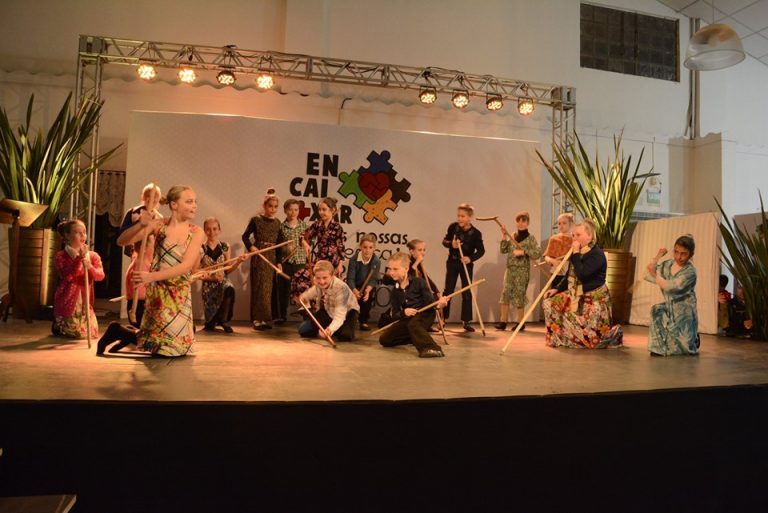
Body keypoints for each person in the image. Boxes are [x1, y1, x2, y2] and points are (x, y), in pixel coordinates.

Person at [97, 185, 205, 357]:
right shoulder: (159, 225)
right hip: (159, 290)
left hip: (179, 291)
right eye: (189, 201)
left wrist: (150, 276)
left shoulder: (197, 232)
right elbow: (122, 241)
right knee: (162, 347)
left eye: (195, 202)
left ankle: (119, 331)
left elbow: (185, 266)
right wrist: (140, 224)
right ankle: (119, 332)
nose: (194, 206)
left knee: (177, 347)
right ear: (174, 205)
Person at [542, 219, 623, 349]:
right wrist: (557, 289)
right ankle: (557, 338)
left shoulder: (597, 254)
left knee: (592, 339)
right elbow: (570, 275)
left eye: (578, 235)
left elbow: (582, 274)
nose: (574, 238)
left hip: (594, 300)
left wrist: (575, 254)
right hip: (577, 295)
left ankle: (598, 336)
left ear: (589, 236)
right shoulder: (578, 253)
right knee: (549, 303)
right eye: (573, 235)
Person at [379, 251, 448, 358]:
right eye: (390, 269)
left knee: (414, 324)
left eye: (395, 269)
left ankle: (432, 349)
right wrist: (404, 312)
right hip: (408, 317)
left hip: (425, 314)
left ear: (406, 268)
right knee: (385, 339)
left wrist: (439, 305)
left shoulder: (419, 282)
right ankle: (415, 337)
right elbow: (395, 315)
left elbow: (431, 304)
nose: (391, 272)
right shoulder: (395, 291)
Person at [646, 235, 699, 356]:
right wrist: (658, 256)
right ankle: (658, 347)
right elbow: (649, 271)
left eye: (683, 254)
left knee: (683, 349)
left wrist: (655, 275)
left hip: (684, 310)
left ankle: (693, 339)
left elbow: (672, 287)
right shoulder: (668, 264)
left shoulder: (690, 272)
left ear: (691, 254)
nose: (679, 257)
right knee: (656, 310)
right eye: (676, 252)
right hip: (670, 306)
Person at [52, 219, 105, 339]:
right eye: (77, 232)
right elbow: (68, 276)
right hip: (68, 301)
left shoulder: (93, 256)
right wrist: (78, 260)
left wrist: (90, 266)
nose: (82, 235)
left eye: (84, 232)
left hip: (85, 302)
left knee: (90, 333)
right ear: (67, 235)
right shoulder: (61, 256)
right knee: (73, 332)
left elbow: (100, 276)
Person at [242, 188, 282, 330]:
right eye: (270, 206)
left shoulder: (277, 223)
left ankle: (266, 318)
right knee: (259, 287)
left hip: (271, 257)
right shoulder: (256, 220)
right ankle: (257, 319)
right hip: (260, 256)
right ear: (264, 205)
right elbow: (245, 236)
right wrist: (251, 247)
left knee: (268, 289)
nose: (273, 209)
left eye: (275, 207)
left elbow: (279, 244)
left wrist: (279, 262)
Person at [291, 197, 346, 298]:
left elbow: (341, 247)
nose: (321, 212)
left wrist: (340, 265)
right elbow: (303, 235)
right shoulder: (318, 224)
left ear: (332, 210)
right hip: (320, 262)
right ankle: (306, 304)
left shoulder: (337, 227)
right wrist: (304, 242)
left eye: (324, 209)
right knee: (299, 276)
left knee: (326, 291)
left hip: (332, 264)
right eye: (320, 210)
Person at [495, 211, 541, 331]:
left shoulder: (531, 239)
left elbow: (537, 253)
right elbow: (504, 250)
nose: (520, 223)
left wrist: (524, 252)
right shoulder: (512, 236)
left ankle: (520, 322)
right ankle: (503, 321)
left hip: (522, 271)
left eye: (523, 221)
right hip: (510, 269)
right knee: (505, 293)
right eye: (518, 221)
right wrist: (504, 235)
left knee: (519, 295)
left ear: (528, 223)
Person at [442, 203, 484, 332]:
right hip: (452, 262)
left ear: (470, 217)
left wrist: (470, 258)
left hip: (466, 264)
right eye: (458, 216)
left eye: (463, 216)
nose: (459, 218)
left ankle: (466, 321)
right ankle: (443, 318)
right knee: (448, 290)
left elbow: (481, 251)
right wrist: (451, 244)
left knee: (466, 291)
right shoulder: (453, 227)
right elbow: (444, 241)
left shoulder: (476, 233)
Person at [298, 260, 359, 342]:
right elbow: (314, 290)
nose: (321, 281)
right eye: (318, 278)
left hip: (348, 313)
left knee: (345, 337)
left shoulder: (341, 288)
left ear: (332, 276)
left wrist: (330, 329)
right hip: (329, 311)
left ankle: (338, 327)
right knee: (303, 330)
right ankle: (333, 327)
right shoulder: (318, 282)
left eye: (325, 278)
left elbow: (340, 316)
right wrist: (304, 297)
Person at [201, 217, 244, 333]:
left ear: (219, 230)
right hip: (208, 284)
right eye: (208, 229)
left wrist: (238, 262)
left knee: (229, 288)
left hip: (222, 280)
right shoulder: (201, 248)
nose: (212, 232)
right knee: (209, 326)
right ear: (204, 230)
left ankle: (224, 320)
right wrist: (211, 277)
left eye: (215, 229)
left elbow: (228, 269)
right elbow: (196, 272)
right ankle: (211, 322)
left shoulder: (225, 246)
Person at [275, 198, 308, 323]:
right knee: (283, 289)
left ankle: (306, 315)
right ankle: (281, 316)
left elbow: (309, 244)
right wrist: (285, 249)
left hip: (300, 261)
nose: (293, 212)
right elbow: (278, 246)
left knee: (303, 289)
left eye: (296, 210)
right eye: (290, 209)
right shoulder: (281, 227)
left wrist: (306, 244)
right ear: (285, 210)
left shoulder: (304, 226)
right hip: (286, 262)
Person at [346, 234, 381, 331]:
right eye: (365, 247)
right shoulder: (354, 259)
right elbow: (350, 278)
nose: (367, 250)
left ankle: (363, 321)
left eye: (370, 247)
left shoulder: (376, 261)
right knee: (351, 301)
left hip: (367, 285)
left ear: (374, 248)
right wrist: (354, 291)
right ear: (360, 247)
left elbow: (373, 279)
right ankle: (349, 320)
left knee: (367, 299)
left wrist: (368, 290)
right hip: (355, 285)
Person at [406, 239, 443, 332]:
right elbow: (410, 277)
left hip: (419, 293)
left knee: (433, 299)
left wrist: (436, 290)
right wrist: (417, 262)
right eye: (419, 250)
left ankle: (427, 325)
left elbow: (427, 278)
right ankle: (421, 325)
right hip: (410, 294)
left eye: (424, 250)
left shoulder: (419, 263)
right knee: (428, 301)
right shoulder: (407, 261)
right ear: (412, 251)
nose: (422, 252)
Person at [116, 182, 162, 256]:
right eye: (149, 200)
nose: (151, 202)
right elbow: (121, 240)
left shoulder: (158, 218)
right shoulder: (133, 213)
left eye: (155, 201)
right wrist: (139, 224)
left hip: (152, 257)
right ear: (144, 198)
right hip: (136, 254)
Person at [543, 212, 574, 290]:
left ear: (570, 224)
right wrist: (552, 261)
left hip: (571, 273)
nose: (561, 225)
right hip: (556, 272)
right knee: (555, 294)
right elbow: (546, 256)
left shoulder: (575, 239)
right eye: (559, 223)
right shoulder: (554, 239)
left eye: (564, 223)